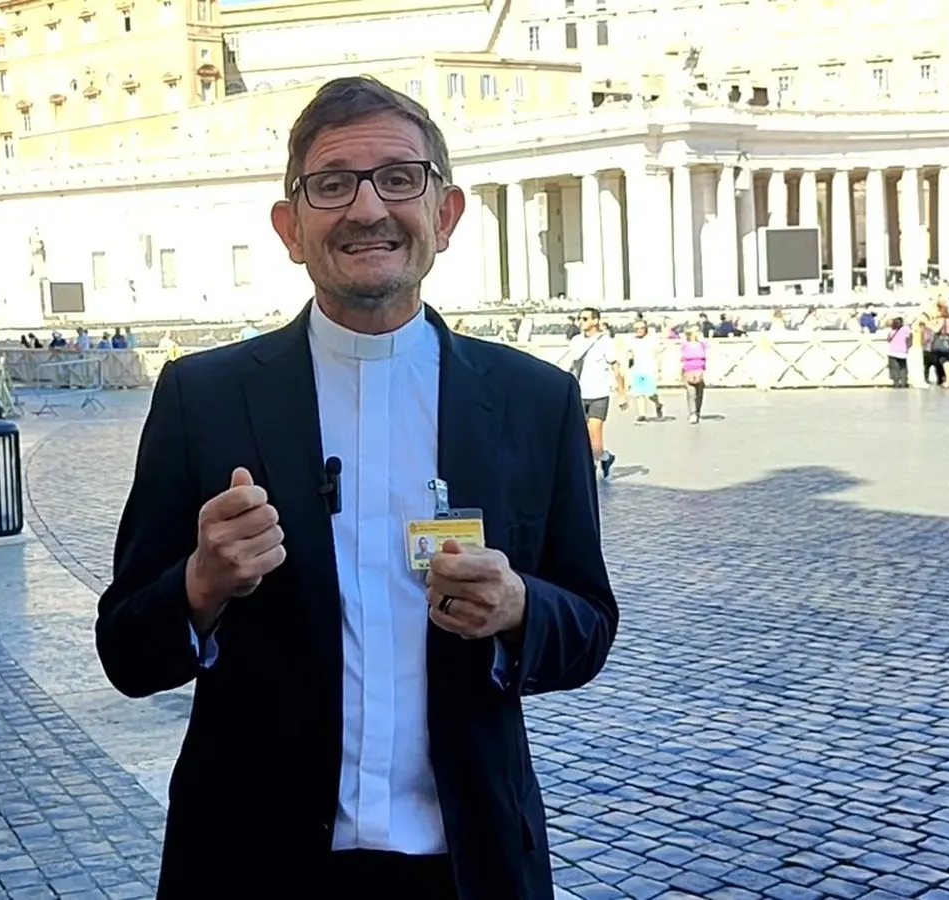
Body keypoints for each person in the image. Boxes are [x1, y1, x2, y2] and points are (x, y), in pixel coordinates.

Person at [95, 76, 619, 899]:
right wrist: (200, 585)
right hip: (252, 867)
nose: (368, 208)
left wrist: (520, 608)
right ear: (290, 228)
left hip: (470, 866)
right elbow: (125, 653)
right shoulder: (202, 397)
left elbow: (588, 626)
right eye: (333, 184)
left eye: (400, 178)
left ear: (445, 215)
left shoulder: (535, 399)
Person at [568, 306, 625, 478]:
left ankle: (589, 471)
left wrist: (622, 394)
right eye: (579, 318)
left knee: (595, 436)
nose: (581, 322)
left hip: (599, 394)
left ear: (595, 320)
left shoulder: (606, 342)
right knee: (581, 436)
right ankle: (605, 457)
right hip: (579, 394)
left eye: (585, 319)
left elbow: (616, 368)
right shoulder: (575, 341)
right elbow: (572, 366)